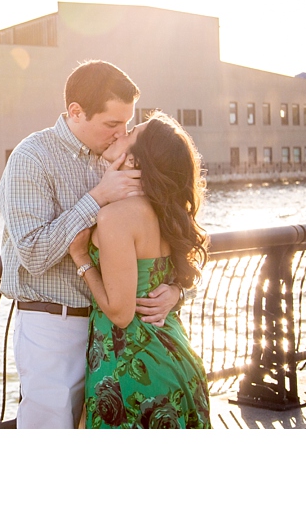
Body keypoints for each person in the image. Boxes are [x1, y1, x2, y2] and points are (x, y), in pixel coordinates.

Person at [0, 60, 183, 429]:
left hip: (115, 334)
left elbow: (166, 234)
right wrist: (96, 198)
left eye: (127, 125)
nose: (120, 134)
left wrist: (177, 289)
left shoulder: (121, 156)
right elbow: (33, 253)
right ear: (76, 112)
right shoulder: (31, 158)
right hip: (54, 324)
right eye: (112, 124)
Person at [69, 111, 211, 428]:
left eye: (130, 132)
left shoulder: (116, 217)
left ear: (135, 162)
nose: (121, 132)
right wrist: (177, 291)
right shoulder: (163, 210)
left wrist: (81, 259)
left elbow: (120, 313)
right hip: (175, 357)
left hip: (133, 371)